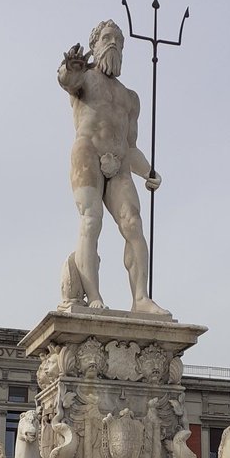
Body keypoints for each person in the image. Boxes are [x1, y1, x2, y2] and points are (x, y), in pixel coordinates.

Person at [58, 19, 169, 315]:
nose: (113, 44)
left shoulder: (130, 98)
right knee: (91, 220)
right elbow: (67, 80)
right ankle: (93, 295)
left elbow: (131, 146)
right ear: (94, 45)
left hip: (120, 164)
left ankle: (141, 298)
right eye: (107, 38)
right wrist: (70, 67)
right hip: (87, 154)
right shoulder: (85, 78)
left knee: (133, 223)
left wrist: (148, 171)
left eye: (118, 41)